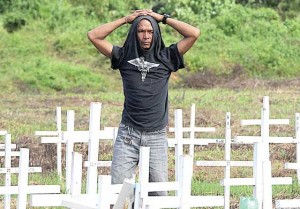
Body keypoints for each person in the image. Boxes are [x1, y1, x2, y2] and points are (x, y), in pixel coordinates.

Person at [87, 9, 200, 196]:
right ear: (134, 33)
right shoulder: (123, 56)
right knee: (119, 194)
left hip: (156, 136)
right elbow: (93, 35)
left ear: (156, 33)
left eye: (150, 31)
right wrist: (125, 19)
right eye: (141, 31)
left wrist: (162, 18)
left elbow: (194, 33)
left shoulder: (166, 57)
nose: (146, 36)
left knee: (158, 196)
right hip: (128, 135)